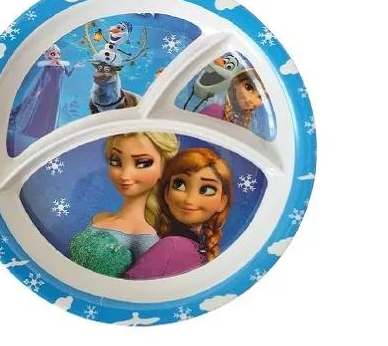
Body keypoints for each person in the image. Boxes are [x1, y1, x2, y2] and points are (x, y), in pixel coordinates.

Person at [69, 132, 179, 277]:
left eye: (142, 163)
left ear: (163, 169)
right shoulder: (99, 217)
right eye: (116, 161)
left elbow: (144, 285)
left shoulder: (145, 238)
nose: (125, 175)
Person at [124, 147, 232, 280]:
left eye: (206, 189)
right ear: (166, 193)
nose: (189, 200)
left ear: (222, 202)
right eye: (179, 185)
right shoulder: (172, 246)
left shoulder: (193, 248)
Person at [200, 68, 276, 140]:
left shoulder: (250, 122)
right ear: (236, 83)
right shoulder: (216, 110)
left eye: (261, 97)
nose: (250, 99)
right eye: (248, 88)